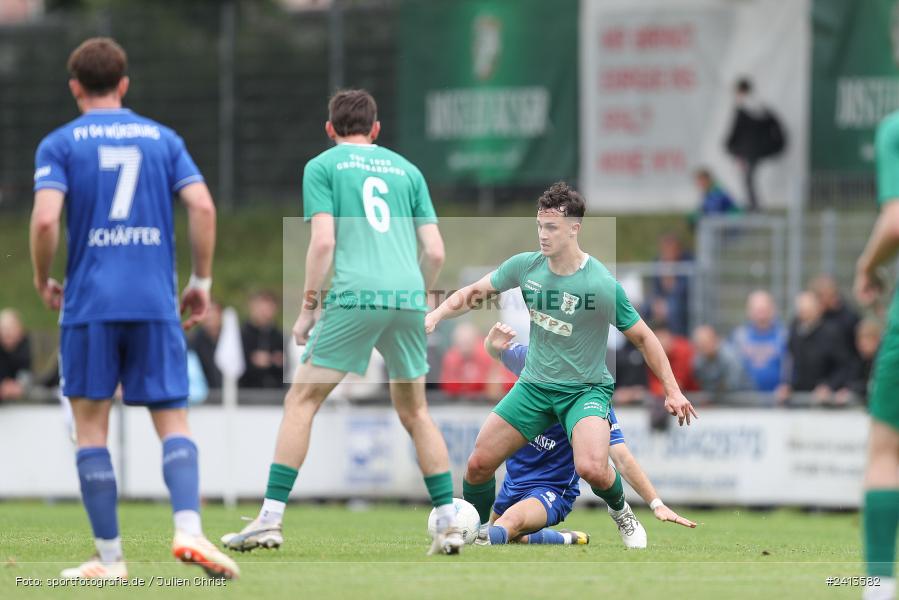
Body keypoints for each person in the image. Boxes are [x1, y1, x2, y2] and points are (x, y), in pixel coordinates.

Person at [29, 38, 238, 579]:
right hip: (153, 301)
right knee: (172, 419)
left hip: (91, 303)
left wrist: (41, 277)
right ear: (124, 84)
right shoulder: (163, 139)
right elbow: (202, 205)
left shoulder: (60, 143)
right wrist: (202, 280)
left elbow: (47, 220)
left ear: (75, 86)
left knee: (91, 428)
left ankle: (110, 559)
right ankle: (190, 529)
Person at [221, 89, 462, 555]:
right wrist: (417, 293)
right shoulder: (408, 170)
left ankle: (269, 519)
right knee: (416, 413)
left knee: (302, 399)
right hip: (408, 297)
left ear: (330, 130)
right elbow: (435, 251)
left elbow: (324, 243)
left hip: (356, 294)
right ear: (376, 130)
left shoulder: (323, 166)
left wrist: (309, 306)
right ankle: (450, 523)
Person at [424, 181, 697, 548]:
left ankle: (622, 513)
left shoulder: (599, 283)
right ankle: (475, 535)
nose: (543, 234)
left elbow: (645, 338)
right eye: (539, 225)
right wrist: (437, 314)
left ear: (574, 228)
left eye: (551, 227)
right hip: (535, 386)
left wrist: (672, 390)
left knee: (592, 468)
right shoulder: (527, 266)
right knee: (478, 464)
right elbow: (475, 293)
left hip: (583, 390)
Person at [480, 322, 695, 547]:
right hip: (513, 483)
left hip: (552, 490)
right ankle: (566, 538)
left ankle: (622, 514)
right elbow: (495, 349)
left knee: (506, 524)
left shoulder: (591, 398)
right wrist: (490, 341)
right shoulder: (531, 360)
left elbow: (621, 456)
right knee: (511, 534)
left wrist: (656, 503)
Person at [855, 103, 899, 600]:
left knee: (887, 451)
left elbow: (895, 221)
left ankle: (879, 585)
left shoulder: (894, 128)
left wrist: (866, 267)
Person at [777, 292, 851, 405]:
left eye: (807, 310)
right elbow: (790, 363)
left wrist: (829, 386)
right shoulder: (794, 332)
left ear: (818, 310)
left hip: (826, 401)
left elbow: (844, 366)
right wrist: (787, 385)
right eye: (801, 310)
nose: (804, 314)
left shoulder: (831, 333)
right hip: (799, 399)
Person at [724, 78, 786, 211]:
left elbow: (736, 129)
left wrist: (729, 145)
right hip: (757, 150)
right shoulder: (760, 106)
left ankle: (754, 206)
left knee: (747, 178)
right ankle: (752, 204)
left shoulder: (743, 108)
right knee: (747, 178)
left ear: (740, 91)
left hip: (749, 151)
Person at [731, 290, 788, 393]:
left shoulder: (783, 336)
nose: (761, 314)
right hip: (744, 402)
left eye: (764, 309)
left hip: (777, 402)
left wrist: (787, 385)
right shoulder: (739, 337)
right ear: (748, 311)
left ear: (773, 310)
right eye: (757, 310)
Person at [440, 321, 511, 401]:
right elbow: (449, 387)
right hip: (464, 404)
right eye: (460, 343)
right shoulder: (452, 357)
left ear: (476, 340)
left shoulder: (487, 354)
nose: (463, 346)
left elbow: (494, 391)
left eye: (467, 342)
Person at [240, 290, 285, 389]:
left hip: (275, 393)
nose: (264, 312)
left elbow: (284, 365)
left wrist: (269, 361)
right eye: (261, 308)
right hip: (246, 393)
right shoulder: (241, 335)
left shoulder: (279, 336)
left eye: (269, 308)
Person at [691, 324, 748, 400]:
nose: (702, 347)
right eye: (699, 344)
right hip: (716, 401)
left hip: (742, 397)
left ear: (715, 340)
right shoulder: (698, 361)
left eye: (705, 343)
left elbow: (732, 384)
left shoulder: (730, 357)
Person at [650, 233, 692, 336]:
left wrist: (670, 275)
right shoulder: (658, 262)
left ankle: (676, 338)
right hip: (662, 300)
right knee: (645, 307)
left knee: (673, 308)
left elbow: (681, 291)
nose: (667, 253)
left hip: (681, 303)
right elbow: (655, 289)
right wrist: (657, 301)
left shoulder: (685, 264)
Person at [835, 318, 881, 406]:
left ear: (876, 340)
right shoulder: (859, 360)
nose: (862, 344)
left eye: (867, 339)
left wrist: (853, 389)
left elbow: (873, 386)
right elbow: (851, 379)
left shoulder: (883, 362)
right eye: (860, 340)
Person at [188, 300, 222, 389]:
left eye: (212, 312)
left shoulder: (229, 338)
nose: (209, 316)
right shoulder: (194, 340)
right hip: (203, 394)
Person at [0, 308, 31, 402]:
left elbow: (27, 371)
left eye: (10, 328)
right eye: (3, 329)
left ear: (20, 330)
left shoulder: (26, 348)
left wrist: (19, 385)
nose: (7, 332)